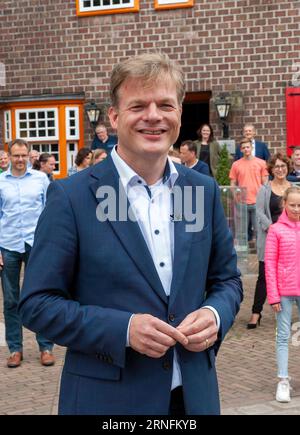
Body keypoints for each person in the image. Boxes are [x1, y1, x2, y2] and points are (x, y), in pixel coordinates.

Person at [19, 53, 242, 415]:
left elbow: (227, 280)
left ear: (179, 114)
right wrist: (123, 329)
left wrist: (215, 314)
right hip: (108, 401)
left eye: (165, 104)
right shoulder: (72, 197)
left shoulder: (199, 191)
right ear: (114, 116)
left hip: (193, 399)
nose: (153, 116)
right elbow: (37, 303)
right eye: (138, 105)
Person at [0, 139, 55, 368]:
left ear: (29, 156)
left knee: (41, 296)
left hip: (37, 244)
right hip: (8, 244)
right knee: (11, 300)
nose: (20, 160)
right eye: (16, 156)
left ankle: (46, 347)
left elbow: (50, 212)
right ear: (9, 156)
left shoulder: (41, 179)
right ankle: (15, 349)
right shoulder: (1, 182)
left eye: (23, 155)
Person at [247, 153, 292, 329]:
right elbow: (259, 213)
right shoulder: (264, 189)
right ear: (271, 170)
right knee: (264, 276)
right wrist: (273, 229)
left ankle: (286, 313)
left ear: (287, 168)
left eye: (283, 166)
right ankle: (255, 313)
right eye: (276, 167)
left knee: (291, 276)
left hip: (290, 240)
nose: (280, 169)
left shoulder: (293, 189)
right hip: (270, 238)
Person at [265, 186, 300, 403]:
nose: (297, 209)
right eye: (293, 204)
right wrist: (274, 295)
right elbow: (269, 264)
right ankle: (283, 381)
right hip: (284, 292)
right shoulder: (276, 230)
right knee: (284, 336)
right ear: (284, 204)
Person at [230, 138, 269, 242]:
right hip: (242, 203)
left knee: (259, 231)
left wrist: (263, 198)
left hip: (257, 202)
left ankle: (259, 256)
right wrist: (235, 196)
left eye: (248, 147)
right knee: (241, 232)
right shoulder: (236, 164)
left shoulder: (261, 162)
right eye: (243, 148)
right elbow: (233, 183)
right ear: (241, 150)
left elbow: (265, 182)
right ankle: (242, 256)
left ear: (251, 147)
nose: (246, 149)